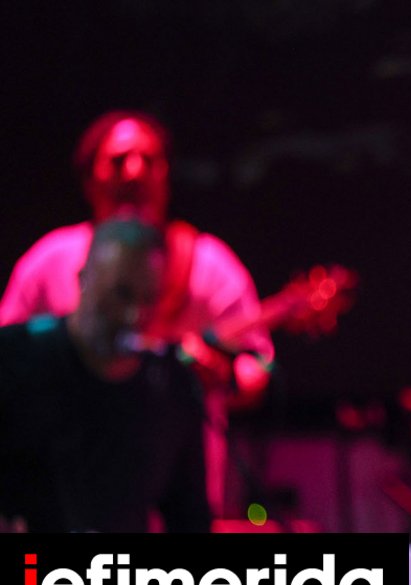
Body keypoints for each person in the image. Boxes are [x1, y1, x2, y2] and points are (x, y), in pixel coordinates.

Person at [0, 110, 273, 516]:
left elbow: (259, 365)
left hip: (172, 500)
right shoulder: (49, 261)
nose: (134, 172)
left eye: (149, 160)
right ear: (89, 178)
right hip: (62, 495)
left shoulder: (209, 263)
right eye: (118, 161)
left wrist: (224, 375)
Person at [0, 219, 210, 533]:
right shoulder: (13, 359)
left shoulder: (172, 388)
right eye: (121, 294)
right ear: (83, 279)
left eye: (149, 299)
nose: (134, 315)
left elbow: (190, 517)